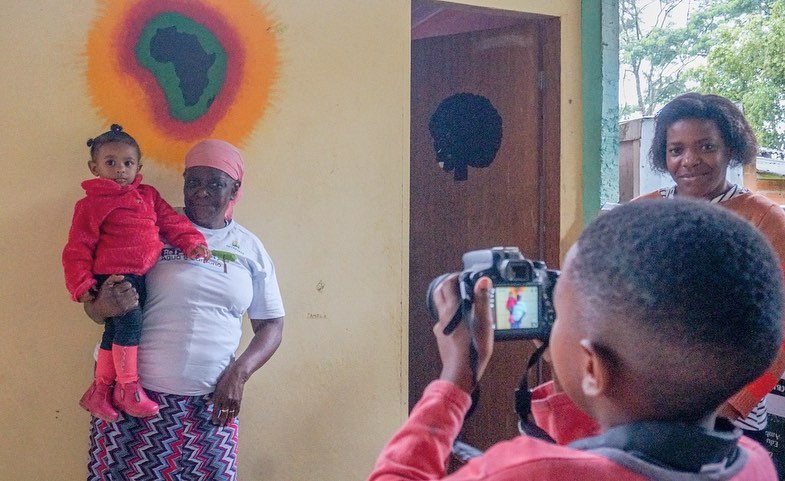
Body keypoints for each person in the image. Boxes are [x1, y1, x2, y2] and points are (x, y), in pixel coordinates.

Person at [368, 199, 782, 480]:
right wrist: (579, 368)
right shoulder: (755, 464)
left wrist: (455, 381)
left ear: (591, 367)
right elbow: (612, 456)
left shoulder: (525, 473)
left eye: (560, 312)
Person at [82, 139, 285, 480]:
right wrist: (103, 304)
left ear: (235, 189)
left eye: (215, 183)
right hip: (130, 401)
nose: (201, 192)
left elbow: (272, 326)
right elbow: (95, 309)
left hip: (211, 406)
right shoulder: (147, 224)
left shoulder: (250, 248)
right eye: (193, 182)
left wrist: (238, 375)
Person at [635, 92, 785, 441]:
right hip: (649, 409)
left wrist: (732, 405)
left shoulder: (766, 221)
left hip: (728, 418)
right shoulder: (641, 213)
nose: (689, 160)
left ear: (730, 149)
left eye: (706, 147)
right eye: (676, 150)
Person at [63, 124, 210, 422]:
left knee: (114, 332)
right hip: (114, 278)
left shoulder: (148, 195)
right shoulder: (91, 204)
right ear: (94, 168)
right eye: (111, 162)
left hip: (140, 276)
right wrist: (82, 284)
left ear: (139, 167)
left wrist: (192, 242)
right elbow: (78, 247)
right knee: (131, 325)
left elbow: (172, 222)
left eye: (128, 163)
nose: (120, 169)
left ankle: (100, 390)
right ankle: (127, 387)